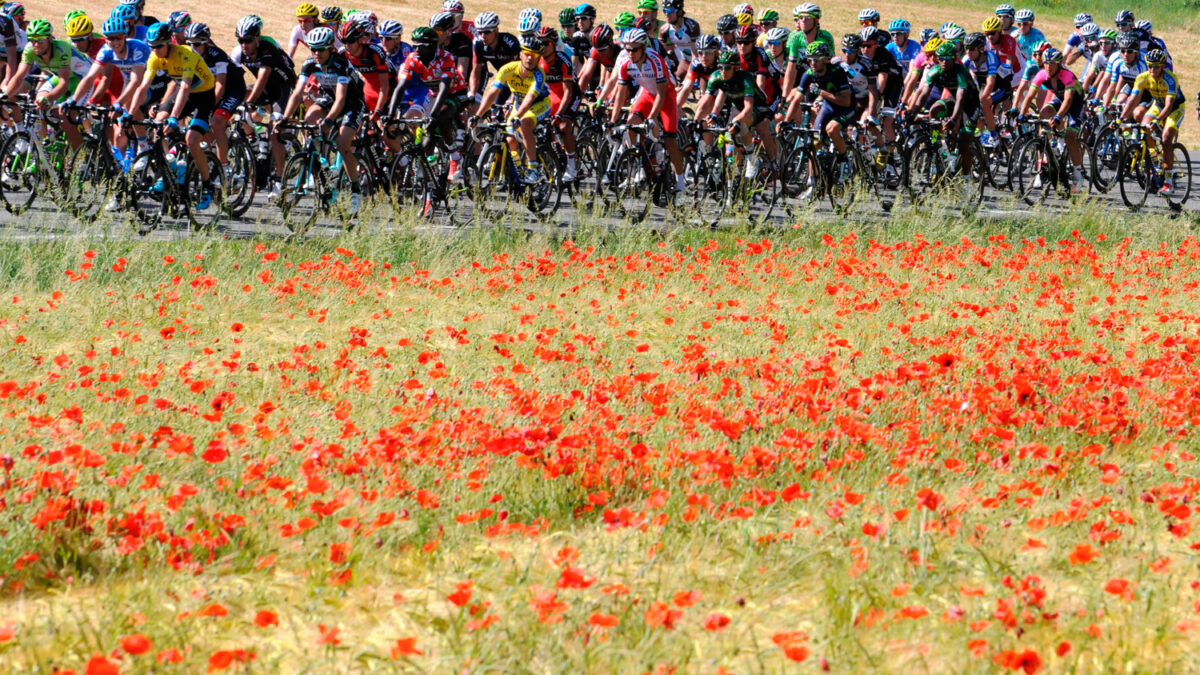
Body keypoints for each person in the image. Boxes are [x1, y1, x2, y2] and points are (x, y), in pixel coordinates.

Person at [132, 22, 219, 209]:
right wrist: (129, 111)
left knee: (192, 139)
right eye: (151, 46)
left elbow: (186, 87)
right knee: (157, 126)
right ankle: (171, 168)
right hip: (183, 93)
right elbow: (143, 87)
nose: (154, 50)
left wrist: (174, 116)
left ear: (168, 43)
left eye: (158, 46)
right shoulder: (155, 57)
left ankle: (207, 185)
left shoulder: (185, 53)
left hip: (203, 95)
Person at [281, 25, 367, 212]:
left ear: (330, 48)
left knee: (343, 143)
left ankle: (355, 188)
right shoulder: (309, 63)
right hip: (329, 96)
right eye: (312, 48)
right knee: (310, 119)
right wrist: (285, 118)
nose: (316, 53)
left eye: (320, 49)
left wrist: (328, 120)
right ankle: (318, 162)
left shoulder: (341, 64)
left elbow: (342, 98)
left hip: (352, 102)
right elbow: (297, 94)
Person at [607, 28, 686, 192]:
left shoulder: (655, 60)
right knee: (630, 126)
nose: (630, 53)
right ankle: (638, 170)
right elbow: (620, 94)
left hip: (666, 96)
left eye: (634, 49)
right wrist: (613, 121)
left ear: (643, 48)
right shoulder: (625, 63)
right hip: (647, 93)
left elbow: (662, 93)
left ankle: (680, 184)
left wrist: (651, 117)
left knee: (670, 141)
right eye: (627, 49)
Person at [231, 14, 297, 199]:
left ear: (257, 39)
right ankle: (256, 142)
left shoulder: (268, 49)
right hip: (266, 89)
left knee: (275, 133)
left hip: (285, 88)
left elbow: (262, 78)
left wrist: (251, 102)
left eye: (248, 41)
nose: (244, 44)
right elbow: (231, 77)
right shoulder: (239, 51)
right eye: (241, 40)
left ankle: (278, 180)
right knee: (242, 104)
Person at [390, 26, 468, 178]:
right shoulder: (413, 58)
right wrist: (390, 113)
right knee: (425, 143)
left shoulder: (446, 57)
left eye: (421, 46)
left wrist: (432, 115)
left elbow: (444, 87)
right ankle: (428, 185)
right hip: (435, 94)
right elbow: (400, 87)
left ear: (432, 46)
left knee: (439, 115)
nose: (416, 49)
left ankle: (455, 156)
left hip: (455, 93)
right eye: (415, 45)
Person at [471, 33, 550, 183]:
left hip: (539, 104)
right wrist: (477, 115)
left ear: (539, 57)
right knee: (509, 137)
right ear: (520, 54)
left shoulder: (539, 75)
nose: (529, 58)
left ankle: (533, 169)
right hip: (519, 104)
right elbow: (492, 93)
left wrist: (517, 117)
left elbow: (529, 99)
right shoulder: (508, 69)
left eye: (534, 55)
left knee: (525, 124)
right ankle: (518, 167)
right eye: (526, 53)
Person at [695, 49, 778, 181]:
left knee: (742, 123)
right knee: (729, 147)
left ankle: (752, 158)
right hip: (737, 108)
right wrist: (697, 119)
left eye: (727, 68)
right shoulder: (717, 77)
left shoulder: (745, 78)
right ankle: (738, 174)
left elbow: (748, 108)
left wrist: (737, 121)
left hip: (758, 107)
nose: (723, 71)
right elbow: (706, 101)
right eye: (720, 67)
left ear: (735, 68)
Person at [6, 19, 88, 149]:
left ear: (50, 38)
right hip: (60, 78)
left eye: (40, 40)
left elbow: (63, 83)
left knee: (64, 116)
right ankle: (45, 150)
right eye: (32, 39)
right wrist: (5, 96)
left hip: (83, 79)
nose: (36, 44)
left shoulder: (62, 48)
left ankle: (80, 159)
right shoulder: (29, 49)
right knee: (37, 104)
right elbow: (19, 76)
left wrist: (48, 98)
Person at [1021, 47, 1085, 191]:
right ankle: (1046, 157)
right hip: (1059, 99)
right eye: (1046, 63)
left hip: (1076, 102)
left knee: (1070, 137)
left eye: (1052, 64)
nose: (1048, 67)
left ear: (1059, 64)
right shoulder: (1041, 74)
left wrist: (1058, 117)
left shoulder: (1067, 75)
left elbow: (1068, 101)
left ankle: (1077, 173)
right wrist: (1021, 114)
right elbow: (1029, 96)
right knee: (1043, 115)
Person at [184, 23, 244, 169]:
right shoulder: (188, 56)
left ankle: (224, 167)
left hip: (232, 89)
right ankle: (211, 158)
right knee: (200, 126)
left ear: (206, 43)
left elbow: (221, 85)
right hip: (210, 91)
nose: (192, 48)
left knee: (216, 122)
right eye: (189, 44)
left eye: (196, 44)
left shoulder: (217, 55)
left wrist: (208, 108)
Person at [1126, 49, 1184, 194]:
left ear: (1163, 66)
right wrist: (1122, 117)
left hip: (1174, 108)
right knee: (1144, 127)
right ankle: (1154, 160)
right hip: (1158, 105)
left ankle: (1169, 181)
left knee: (1165, 138)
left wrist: (1158, 120)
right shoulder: (1142, 77)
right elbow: (1132, 100)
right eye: (1149, 65)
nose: (1152, 69)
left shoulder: (1170, 78)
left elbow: (1169, 105)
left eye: (1156, 66)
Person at [537, 27, 578, 181]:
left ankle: (572, 166)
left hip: (570, 95)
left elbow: (568, 92)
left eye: (546, 43)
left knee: (563, 126)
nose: (542, 46)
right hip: (552, 96)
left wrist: (560, 114)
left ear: (554, 44)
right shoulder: (537, 60)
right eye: (539, 43)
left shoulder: (562, 60)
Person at [963, 31, 1012, 147]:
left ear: (981, 49)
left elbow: (990, 84)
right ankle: (982, 132)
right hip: (984, 82)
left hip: (1002, 84)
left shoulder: (990, 58)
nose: (968, 52)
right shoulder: (967, 59)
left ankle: (994, 136)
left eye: (971, 49)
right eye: (966, 48)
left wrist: (979, 101)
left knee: (983, 103)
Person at [782, 3, 832, 96]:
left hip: (822, 77)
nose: (803, 20)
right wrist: (784, 96)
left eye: (808, 17)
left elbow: (830, 66)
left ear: (816, 20)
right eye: (801, 17)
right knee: (790, 100)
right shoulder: (795, 38)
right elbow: (791, 70)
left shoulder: (825, 37)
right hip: (803, 75)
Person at [468, 11, 519, 101]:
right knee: (495, 110)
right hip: (504, 79)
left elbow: (519, 71)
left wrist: (513, 97)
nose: (483, 36)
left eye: (487, 32)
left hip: (518, 79)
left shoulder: (510, 42)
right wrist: (472, 94)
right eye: (480, 32)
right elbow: (476, 71)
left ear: (496, 30)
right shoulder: (478, 43)